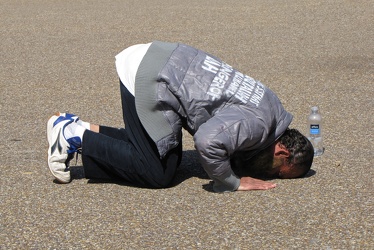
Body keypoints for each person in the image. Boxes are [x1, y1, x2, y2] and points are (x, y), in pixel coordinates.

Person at [47, 41, 314, 192]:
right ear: (281, 152)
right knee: (158, 172)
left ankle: (79, 127)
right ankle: (71, 136)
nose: (271, 176)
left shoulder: (271, 107)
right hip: (152, 77)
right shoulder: (258, 126)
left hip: (158, 59)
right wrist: (231, 181)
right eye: (278, 173)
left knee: (163, 155)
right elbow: (208, 141)